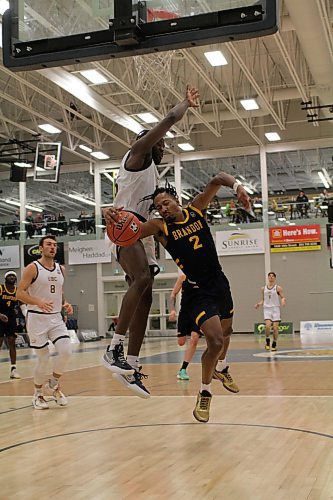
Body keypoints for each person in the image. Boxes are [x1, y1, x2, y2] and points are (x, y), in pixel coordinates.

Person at [104, 172, 250, 423]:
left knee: (227, 333)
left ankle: (221, 367)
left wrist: (237, 187)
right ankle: (205, 392)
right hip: (197, 292)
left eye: (166, 203)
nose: (163, 209)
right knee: (214, 341)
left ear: (176, 200)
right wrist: (113, 217)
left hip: (219, 284)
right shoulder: (160, 228)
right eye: (158, 207)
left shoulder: (196, 210)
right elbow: (133, 231)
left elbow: (216, 179)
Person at [102, 85, 200, 398]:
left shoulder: (153, 172)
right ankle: (113, 349)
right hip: (125, 225)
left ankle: (130, 363)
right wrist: (185, 103)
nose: (162, 145)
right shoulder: (137, 155)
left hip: (141, 231)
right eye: (158, 140)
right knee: (141, 279)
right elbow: (169, 118)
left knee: (145, 293)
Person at [16, 235, 73, 410]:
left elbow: (58, 291)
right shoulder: (32, 268)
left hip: (56, 317)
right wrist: (37, 302)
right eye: (48, 244)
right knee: (44, 359)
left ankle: (53, 384)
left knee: (66, 351)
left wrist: (65, 303)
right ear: (40, 248)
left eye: (55, 245)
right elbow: (19, 293)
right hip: (36, 317)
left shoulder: (61, 269)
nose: (52, 247)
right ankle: (37, 394)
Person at [170, 271, 239, 394]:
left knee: (194, 338)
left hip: (199, 310)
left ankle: (184, 369)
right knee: (181, 342)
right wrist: (172, 309)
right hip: (185, 312)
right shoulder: (182, 278)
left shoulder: (204, 276)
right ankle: (210, 365)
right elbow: (173, 294)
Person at [254, 272, 286, 351]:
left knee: (275, 328)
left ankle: (274, 342)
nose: (271, 278)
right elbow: (263, 300)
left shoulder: (278, 288)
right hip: (267, 309)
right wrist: (259, 304)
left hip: (275, 309)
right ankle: (267, 341)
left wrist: (283, 301)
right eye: (270, 276)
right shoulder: (263, 288)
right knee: (268, 326)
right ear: (268, 278)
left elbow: (282, 297)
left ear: (275, 278)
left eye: (272, 276)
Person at [0, 271, 21, 379]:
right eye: (10, 276)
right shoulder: (1, 288)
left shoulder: (18, 291)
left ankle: (13, 369)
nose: (12, 277)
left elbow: (23, 304)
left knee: (12, 343)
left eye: (14, 276)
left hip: (11, 319)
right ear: (5, 278)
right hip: (0, 317)